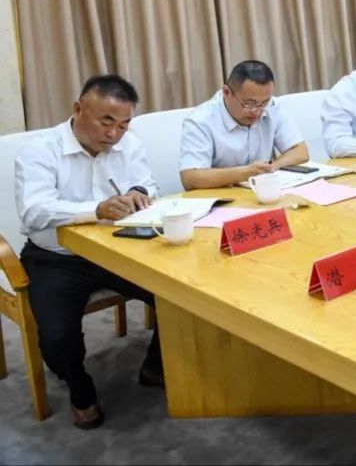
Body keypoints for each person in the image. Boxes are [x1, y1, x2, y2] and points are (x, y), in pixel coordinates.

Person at [14, 75, 163, 429]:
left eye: (123, 125)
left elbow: (148, 183)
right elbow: (34, 211)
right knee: (57, 336)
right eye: (105, 121)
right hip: (57, 258)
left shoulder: (129, 144)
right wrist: (95, 210)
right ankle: (80, 389)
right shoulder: (40, 150)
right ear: (78, 109)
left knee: (179, 295)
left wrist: (140, 193)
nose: (114, 134)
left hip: (118, 248)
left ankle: (155, 366)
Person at [178, 60, 309, 190]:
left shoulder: (273, 106)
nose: (257, 112)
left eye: (264, 103)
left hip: (264, 190)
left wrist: (270, 168)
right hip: (224, 195)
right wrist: (246, 173)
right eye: (249, 104)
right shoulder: (200, 120)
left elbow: (300, 151)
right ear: (226, 92)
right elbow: (190, 178)